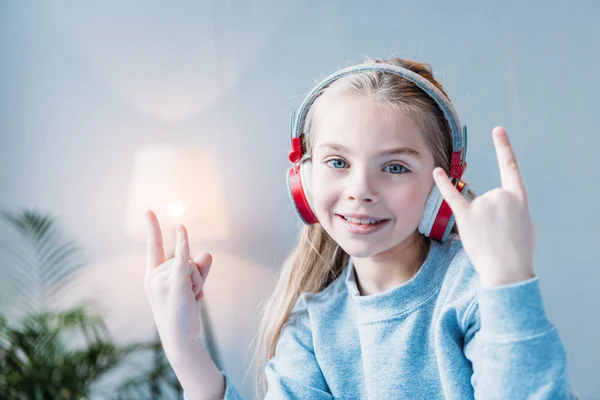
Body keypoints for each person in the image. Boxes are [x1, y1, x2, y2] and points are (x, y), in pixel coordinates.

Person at [144, 57, 577, 399]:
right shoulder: (313, 330)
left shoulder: (474, 289)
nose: (360, 190)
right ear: (303, 178)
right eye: (337, 162)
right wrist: (185, 350)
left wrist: (508, 281)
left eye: (394, 167)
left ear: (443, 183)